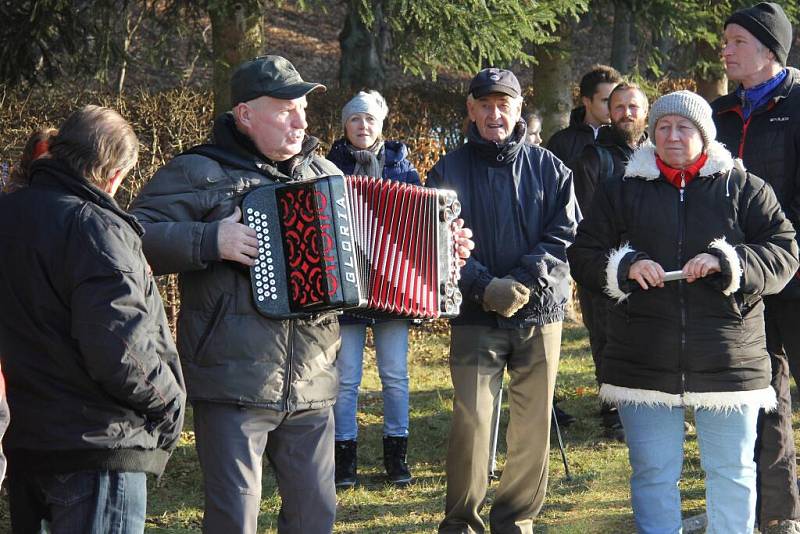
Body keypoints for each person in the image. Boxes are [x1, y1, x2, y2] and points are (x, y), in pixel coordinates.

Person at [131, 55, 473, 534]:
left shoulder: (326, 174)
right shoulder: (197, 171)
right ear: (245, 114)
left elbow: (373, 261)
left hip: (313, 378)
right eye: (284, 109)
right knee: (234, 520)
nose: (299, 120)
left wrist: (440, 254)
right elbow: (131, 235)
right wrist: (210, 241)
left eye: (303, 109)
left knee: (316, 516)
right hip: (234, 380)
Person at [568, 90, 798, 533]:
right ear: (651, 134)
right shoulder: (621, 189)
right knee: (653, 475)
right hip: (643, 357)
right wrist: (627, 265)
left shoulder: (744, 187)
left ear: (705, 133)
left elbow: (785, 253)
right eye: (663, 127)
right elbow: (584, 253)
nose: (673, 136)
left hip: (730, 359)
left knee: (732, 474)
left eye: (684, 127)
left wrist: (729, 262)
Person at [0, 105, 187, 533]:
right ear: (115, 174)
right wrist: (170, 402)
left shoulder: (9, 214)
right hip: (97, 446)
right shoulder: (95, 226)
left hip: (25, 441)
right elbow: (119, 347)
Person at [429, 67, 579, 534]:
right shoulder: (445, 170)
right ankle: (461, 522)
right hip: (475, 315)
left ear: (519, 109)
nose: (495, 113)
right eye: (485, 104)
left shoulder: (551, 168)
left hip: (539, 314)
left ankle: (516, 519)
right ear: (471, 111)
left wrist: (520, 281)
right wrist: (481, 286)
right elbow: (432, 239)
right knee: (472, 423)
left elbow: (563, 235)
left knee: (532, 425)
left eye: (504, 104)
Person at [712, 4, 800, 530]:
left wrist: (785, 253)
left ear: (770, 50)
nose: (725, 49)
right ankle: (779, 516)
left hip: (797, 271)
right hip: (743, 282)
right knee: (763, 397)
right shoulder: (718, 114)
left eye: (737, 41)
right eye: (725, 40)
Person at [326, 90, 420, 488]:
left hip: (393, 286)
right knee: (346, 377)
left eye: (370, 120)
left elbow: (420, 224)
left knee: (394, 374)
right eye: (355, 120)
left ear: (381, 125)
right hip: (347, 285)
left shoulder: (402, 168)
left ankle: (396, 455)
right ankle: (343, 457)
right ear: (345, 125)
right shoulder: (327, 168)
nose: (363, 127)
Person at [569, 82, 649, 440]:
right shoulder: (593, 157)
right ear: (608, 112)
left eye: (634, 106)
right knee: (607, 339)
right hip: (603, 266)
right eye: (619, 106)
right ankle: (613, 412)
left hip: (649, 267)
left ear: (645, 112)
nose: (627, 113)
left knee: (646, 335)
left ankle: (647, 403)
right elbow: (583, 218)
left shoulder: (656, 155)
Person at [546, 64, 622, 168]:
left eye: (615, 100)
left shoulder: (626, 139)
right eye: (606, 100)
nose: (612, 106)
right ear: (587, 101)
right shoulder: (560, 142)